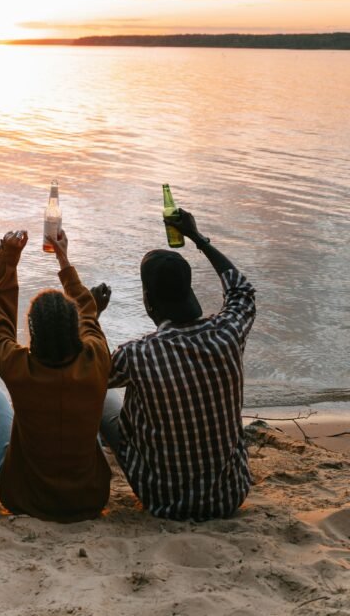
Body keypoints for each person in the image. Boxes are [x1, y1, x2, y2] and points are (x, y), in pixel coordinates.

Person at [100, 208, 256, 521]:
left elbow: (90, 374)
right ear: (189, 291)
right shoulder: (227, 333)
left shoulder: (138, 355)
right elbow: (241, 290)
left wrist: (92, 316)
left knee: (103, 399)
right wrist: (198, 239)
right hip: (229, 495)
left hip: (163, 499)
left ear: (147, 301)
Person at [0, 228, 112, 522]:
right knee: (106, 400)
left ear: (33, 332)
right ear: (74, 328)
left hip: (25, 499)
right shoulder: (96, 359)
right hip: (89, 499)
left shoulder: (19, 367)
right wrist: (64, 261)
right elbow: (89, 314)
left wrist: (8, 258)